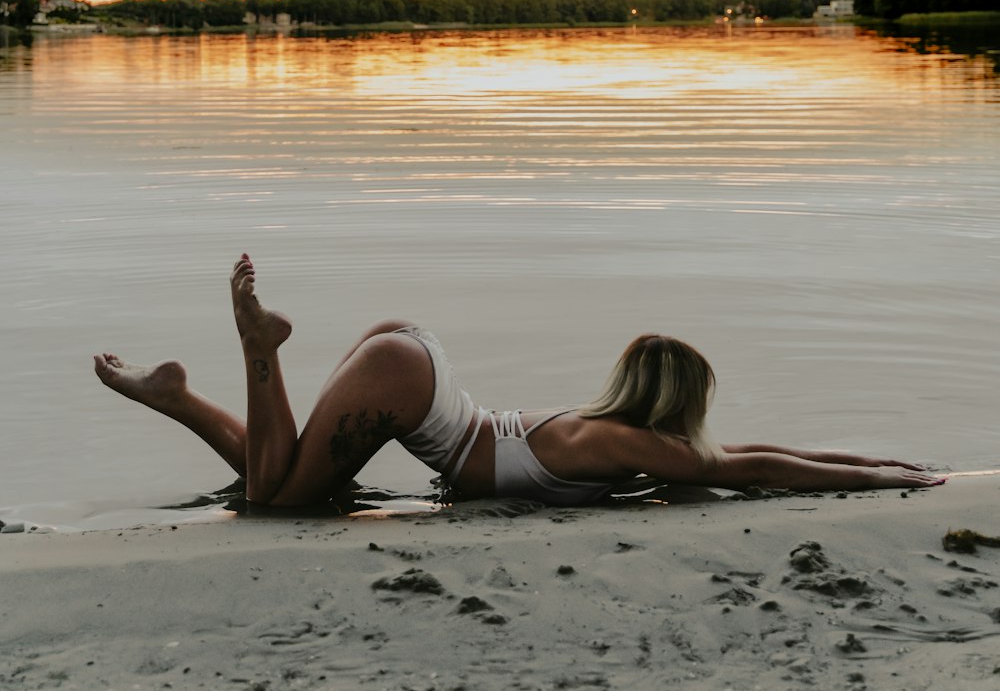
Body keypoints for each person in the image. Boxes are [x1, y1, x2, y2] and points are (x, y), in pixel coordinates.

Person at [93, 254, 944, 507]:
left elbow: (756, 452)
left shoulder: (616, 429)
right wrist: (878, 480)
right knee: (276, 503)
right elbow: (751, 468)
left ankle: (176, 396)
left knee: (279, 482)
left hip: (412, 367)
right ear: (676, 404)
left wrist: (875, 465)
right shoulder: (621, 445)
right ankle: (258, 346)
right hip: (407, 386)